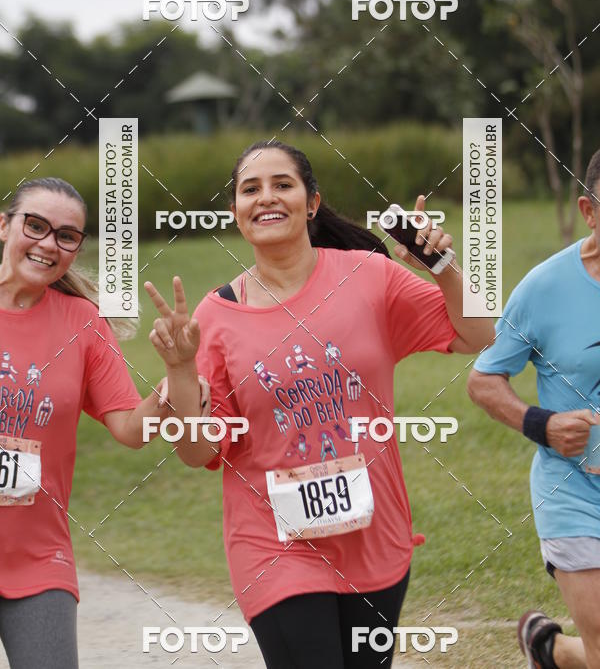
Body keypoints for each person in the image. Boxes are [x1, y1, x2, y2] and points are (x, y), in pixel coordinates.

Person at [145, 139, 495, 668]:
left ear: (311, 203)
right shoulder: (215, 318)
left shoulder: (369, 276)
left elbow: (479, 334)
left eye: (282, 184)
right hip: (272, 546)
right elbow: (198, 454)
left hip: (375, 538)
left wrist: (441, 264)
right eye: (250, 189)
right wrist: (179, 369)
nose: (267, 197)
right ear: (237, 213)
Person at [0, 177, 171, 669]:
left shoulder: (82, 323)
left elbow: (131, 430)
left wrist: (173, 380)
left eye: (66, 235)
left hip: (39, 561)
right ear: (5, 226)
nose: (48, 243)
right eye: (35, 225)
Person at [468, 148, 600, 669]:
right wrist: (540, 424)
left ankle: (553, 651)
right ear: (588, 211)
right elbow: (483, 381)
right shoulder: (545, 288)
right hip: (575, 492)